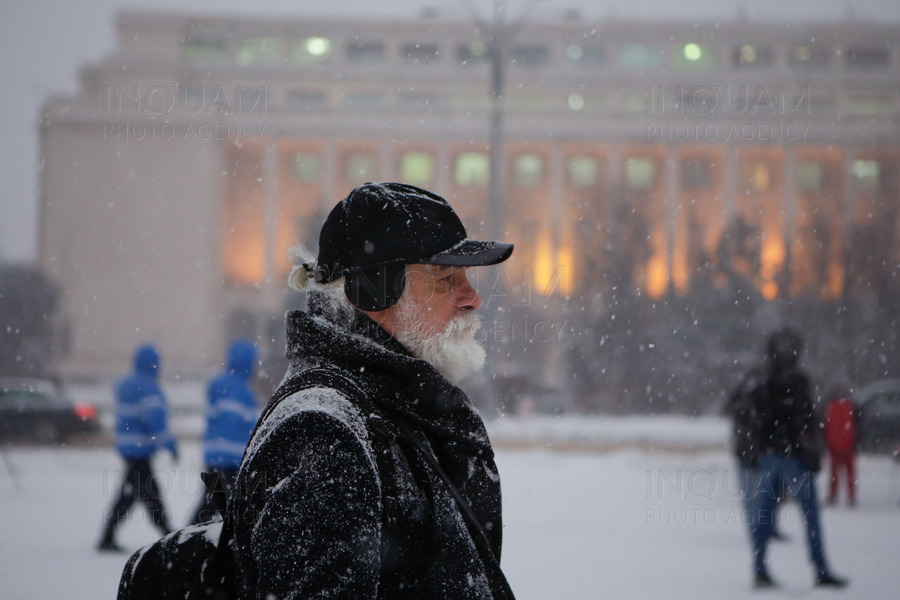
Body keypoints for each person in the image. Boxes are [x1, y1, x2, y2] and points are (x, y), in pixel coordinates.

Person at [227, 182, 516, 599]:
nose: (472, 298)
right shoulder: (323, 432)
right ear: (374, 290)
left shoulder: (398, 409)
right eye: (445, 279)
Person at [742, 328, 848, 589]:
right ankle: (818, 569)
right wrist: (809, 450)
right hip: (788, 456)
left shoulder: (766, 380)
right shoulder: (788, 380)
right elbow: (804, 419)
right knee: (805, 515)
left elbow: (756, 419)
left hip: (776, 456)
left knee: (766, 516)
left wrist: (756, 450)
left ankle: (761, 568)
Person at [98, 343, 178, 552]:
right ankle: (168, 536)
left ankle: (108, 537)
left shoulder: (128, 385)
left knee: (130, 495)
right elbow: (154, 419)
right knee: (150, 494)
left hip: (127, 447)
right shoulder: (148, 387)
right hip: (140, 449)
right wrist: (168, 444)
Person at [190, 339, 259, 524]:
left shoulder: (221, 383)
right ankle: (186, 542)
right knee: (219, 503)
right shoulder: (240, 390)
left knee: (214, 502)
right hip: (229, 459)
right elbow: (236, 422)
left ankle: (190, 539)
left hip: (215, 455)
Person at [823, 383, 857, 507]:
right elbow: (855, 426)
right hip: (848, 443)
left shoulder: (830, 407)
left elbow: (827, 428)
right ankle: (851, 496)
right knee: (850, 472)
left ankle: (833, 495)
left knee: (834, 473)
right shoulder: (849, 406)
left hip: (834, 444)